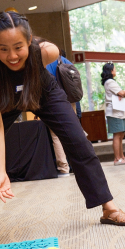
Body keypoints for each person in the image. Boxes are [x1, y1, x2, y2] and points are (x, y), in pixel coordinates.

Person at [0, 12, 125, 233]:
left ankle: (108, 208)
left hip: (42, 92)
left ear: (29, 41)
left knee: (78, 140)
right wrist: (2, 172)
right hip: (5, 100)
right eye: (3, 49)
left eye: (18, 47)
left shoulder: (48, 51)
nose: (12, 56)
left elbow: (44, 70)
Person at [45, 48, 77, 177]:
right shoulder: (66, 61)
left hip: (54, 101)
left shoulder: (45, 63)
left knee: (56, 136)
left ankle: (64, 168)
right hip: (70, 99)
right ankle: (76, 164)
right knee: (74, 132)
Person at [101, 63, 125, 165]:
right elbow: (122, 93)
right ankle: (117, 158)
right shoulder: (110, 82)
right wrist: (122, 93)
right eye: (114, 69)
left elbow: (120, 93)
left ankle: (121, 157)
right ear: (110, 71)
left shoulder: (110, 82)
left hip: (118, 112)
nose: (115, 71)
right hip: (114, 112)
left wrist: (121, 93)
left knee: (120, 135)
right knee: (117, 135)